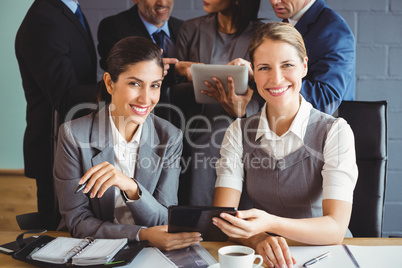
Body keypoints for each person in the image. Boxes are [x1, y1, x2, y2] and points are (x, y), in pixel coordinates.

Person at [212, 22, 358, 268]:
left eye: (287, 65)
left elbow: (335, 228)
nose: (276, 78)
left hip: (325, 254)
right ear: (254, 73)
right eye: (264, 68)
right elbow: (224, 217)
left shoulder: (335, 131)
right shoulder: (238, 131)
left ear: (304, 66)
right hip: (263, 255)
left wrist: (269, 225)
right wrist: (258, 239)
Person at [54, 36, 202, 250]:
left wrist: (131, 187)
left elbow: (163, 220)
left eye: (155, 86)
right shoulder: (73, 135)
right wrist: (142, 234)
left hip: (150, 252)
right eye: (135, 84)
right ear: (109, 83)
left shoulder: (170, 137)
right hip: (92, 250)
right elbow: (78, 222)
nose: (146, 98)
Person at [15, 0, 98, 230]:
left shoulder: (69, 10)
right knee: (59, 236)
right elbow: (66, 97)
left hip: (74, 145)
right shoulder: (43, 19)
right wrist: (119, 86)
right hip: (55, 150)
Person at [173, 0, 264, 206]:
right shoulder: (191, 28)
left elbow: (269, 86)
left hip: (244, 122)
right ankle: (205, 226)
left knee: (229, 138)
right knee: (208, 140)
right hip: (199, 122)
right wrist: (184, 73)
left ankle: (236, 225)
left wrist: (244, 108)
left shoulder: (262, 34)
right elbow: (172, 88)